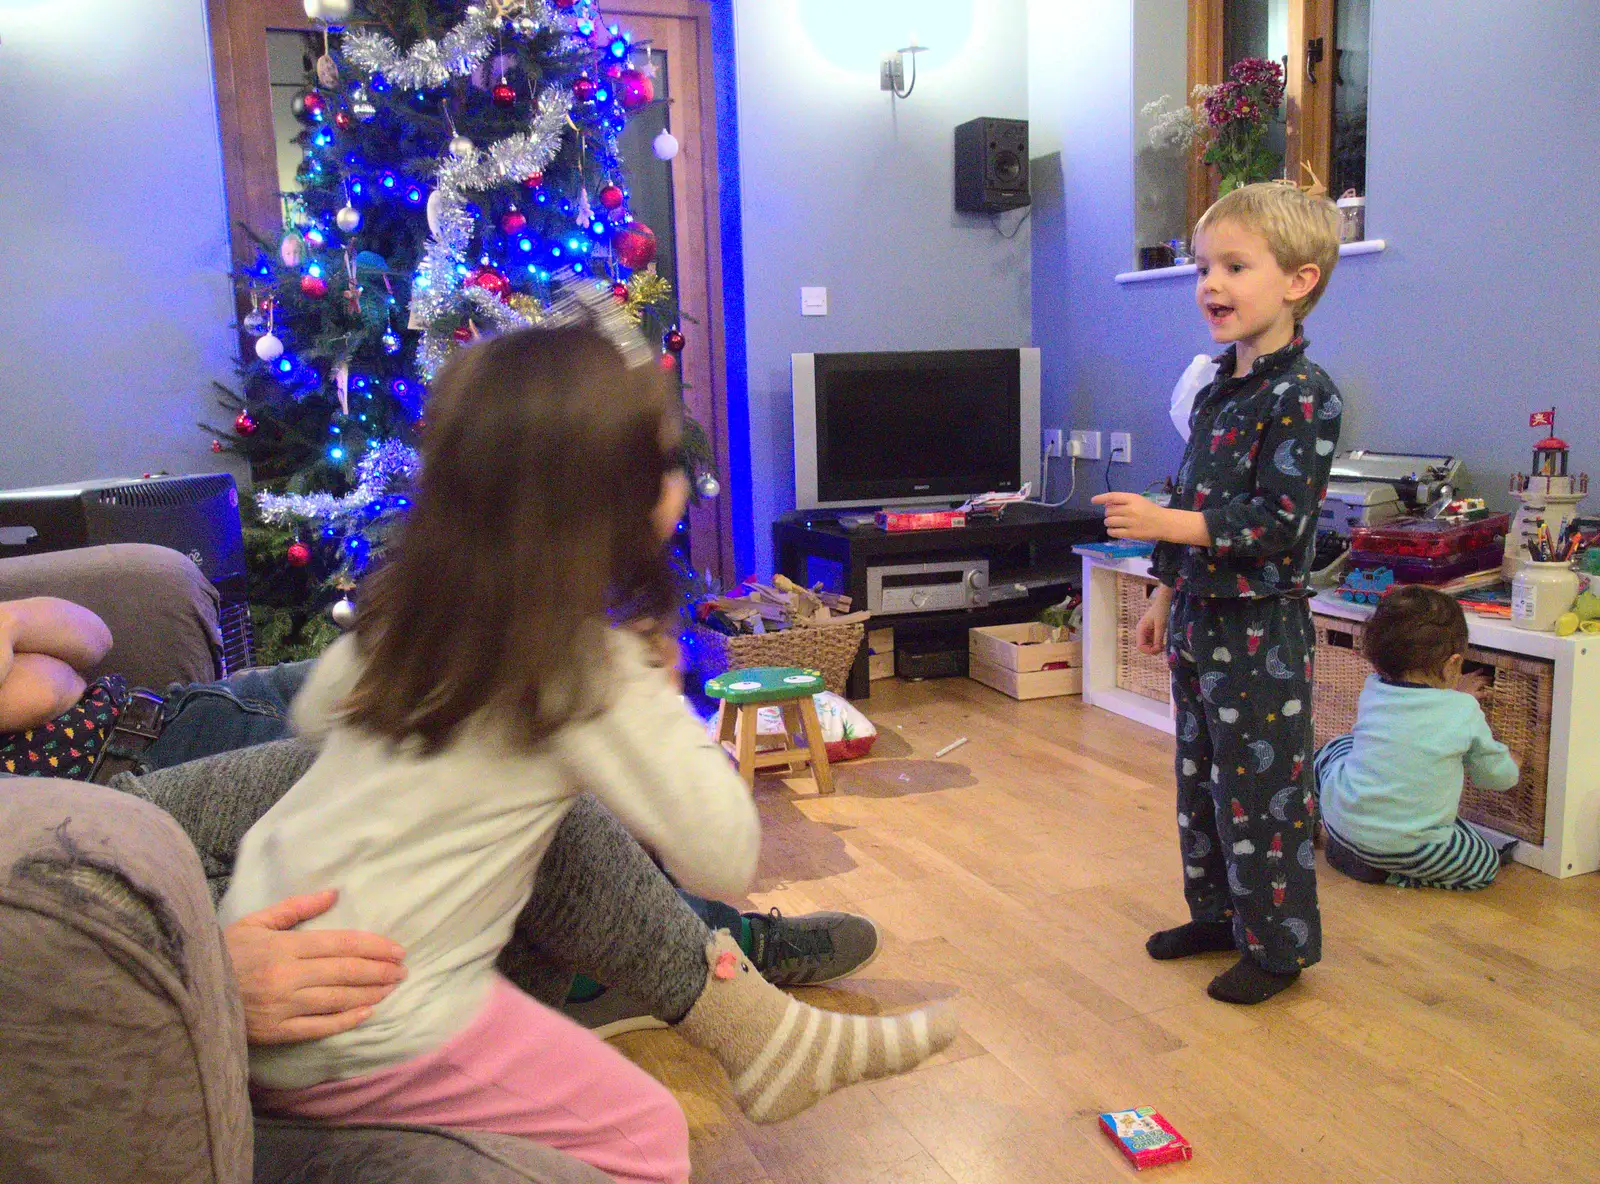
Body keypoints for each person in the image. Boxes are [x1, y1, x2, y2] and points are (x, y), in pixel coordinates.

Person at [216, 314, 956, 1184]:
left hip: (263, 969)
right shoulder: (585, 670)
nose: (680, 481)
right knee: (642, 1131)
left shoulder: (403, 629)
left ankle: (765, 1043)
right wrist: (662, 698)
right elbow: (724, 855)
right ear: (611, 498)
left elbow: (312, 713)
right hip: (376, 1021)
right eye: (665, 463)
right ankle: (765, 1046)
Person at [0, 594, 883, 1017]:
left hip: (188, 712)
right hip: (123, 792)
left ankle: (626, 930)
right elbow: (37, 690)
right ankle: (721, 947)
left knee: (485, 684)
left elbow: (82, 644)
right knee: (478, 773)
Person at [1092, 182, 1344, 1005]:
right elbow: (1196, 491)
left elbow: (1273, 521)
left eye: (1236, 266)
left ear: (1298, 282)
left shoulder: (1304, 396)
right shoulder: (1212, 391)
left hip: (1261, 628)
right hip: (1200, 616)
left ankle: (1278, 949)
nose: (1211, 284)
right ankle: (1217, 915)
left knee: (1261, 793)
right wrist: (1164, 592)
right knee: (1199, 779)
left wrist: (1165, 525)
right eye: (1206, 267)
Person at [1312, 586, 1520, 890]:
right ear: (1452, 665)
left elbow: (1419, 712)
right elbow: (1494, 777)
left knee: (1337, 748)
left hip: (1342, 823)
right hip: (1408, 847)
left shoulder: (1373, 689)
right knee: (1484, 861)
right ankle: (1391, 873)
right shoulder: (1464, 710)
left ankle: (1315, 826)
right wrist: (1513, 763)